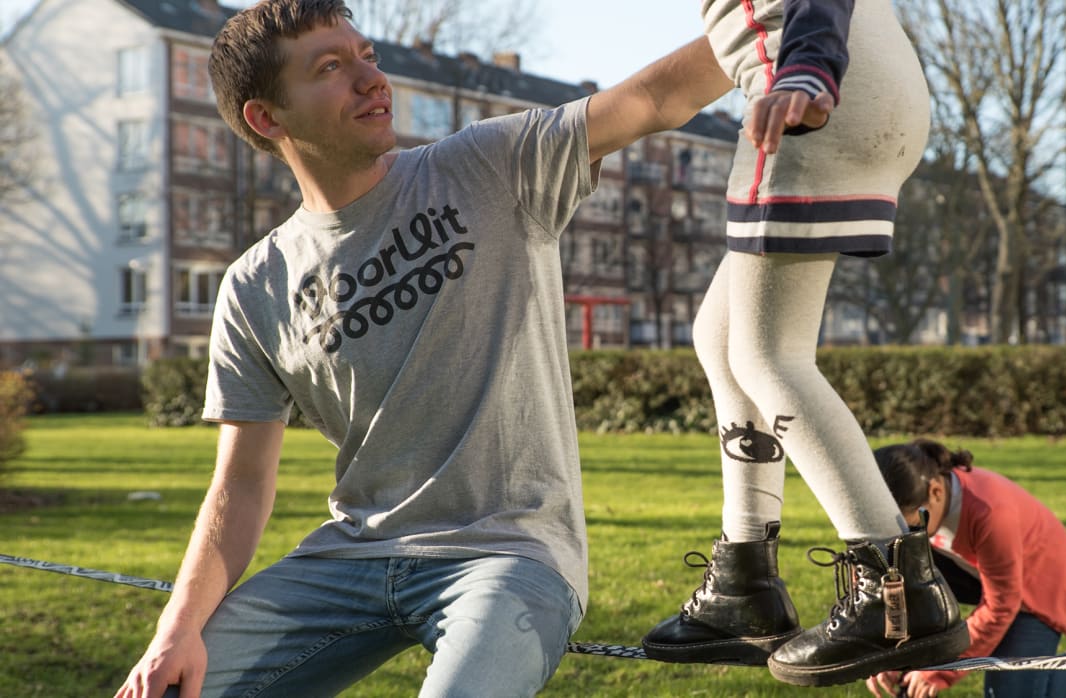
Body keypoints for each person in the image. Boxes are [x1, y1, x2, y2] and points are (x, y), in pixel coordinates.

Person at [113, 1, 738, 696]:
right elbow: (241, 483)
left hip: (509, 555)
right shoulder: (255, 285)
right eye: (331, 67)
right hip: (351, 557)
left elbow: (655, 98)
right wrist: (177, 629)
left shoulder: (486, 167)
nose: (372, 79)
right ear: (268, 118)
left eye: (368, 56)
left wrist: (777, 17)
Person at [640, 0, 970, 688]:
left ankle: (897, 598)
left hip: (813, 91)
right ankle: (744, 582)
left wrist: (811, 71)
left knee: (769, 356)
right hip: (851, 85)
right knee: (722, 335)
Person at [864, 439, 1066, 698]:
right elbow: (895, 580)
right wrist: (892, 653)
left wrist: (942, 669)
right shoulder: (919, 501)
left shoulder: (991, 513)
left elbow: (1001, 605)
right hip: (977, 574)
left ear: (936, 491)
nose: (904, 534)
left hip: (1036, 586)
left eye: (911, 525)